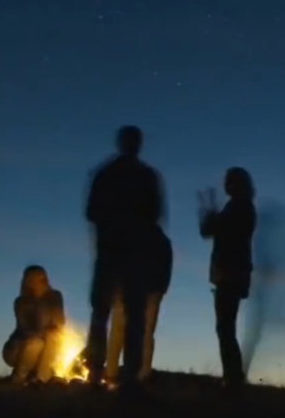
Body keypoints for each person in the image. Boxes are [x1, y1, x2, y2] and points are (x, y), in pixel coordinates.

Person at [84, 125, 167, 392]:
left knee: (109, 315)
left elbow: (93, 212)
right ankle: (119, 377)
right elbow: (154, 218)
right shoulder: (143, 176)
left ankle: (105, 375)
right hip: (127, 255)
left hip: (118, 253)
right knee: (122, 317)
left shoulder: (108, 174)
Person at [198, 166, 257, 389]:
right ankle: (233, 377)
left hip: (230, 274)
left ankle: (232, 379)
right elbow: (212, 230)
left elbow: (212, 231)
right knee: (226, 328)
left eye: (229, 181)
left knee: (225, 328)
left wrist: (210, 216)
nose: (226, 185)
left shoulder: (239, 208)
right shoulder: (241, 207)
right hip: (234, 274)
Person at [103, 223, 173, 384]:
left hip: (143, 292)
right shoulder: (160, 240)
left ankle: (126, 375)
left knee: (135, 333)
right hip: (134, 290)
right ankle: (124, 375)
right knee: (133, 333)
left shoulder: (150, 239)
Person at [2, 264, 66, 385]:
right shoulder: (20, 302)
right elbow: (24, 329)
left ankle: (41, 378)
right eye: (33, 279)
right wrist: (42, 332)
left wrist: (51, 330)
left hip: (46, 342)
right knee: (35, 342)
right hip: (18, 348)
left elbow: (59, 322)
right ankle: (19, 377)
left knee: (54, 337)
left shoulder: (54, 297)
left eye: (42, 278)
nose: (40, 282)